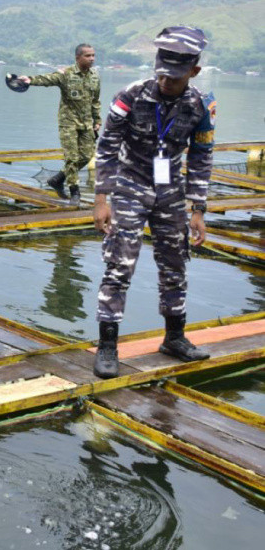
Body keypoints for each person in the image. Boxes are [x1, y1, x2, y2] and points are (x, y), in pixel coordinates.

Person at [92, 26, 216, 379]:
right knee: (119, 264)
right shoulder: (130, 96)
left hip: (171, 190)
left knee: (176, 262)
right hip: (131, 185)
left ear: (194, 71)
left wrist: (198, 209)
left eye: (175, 77)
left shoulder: (200, 106)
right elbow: (107, 147)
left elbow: (202, 157)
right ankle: (107, 346)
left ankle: (174, 338)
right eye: (162, 72)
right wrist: (102, 198)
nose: (166, 81)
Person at [19, 44, 101, 204]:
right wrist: (30, 80)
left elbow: (96, 101)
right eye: (88, 56)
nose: (92, 59)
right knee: (71, 157)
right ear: (78, 58)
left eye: (93, 55)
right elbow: (48, 79)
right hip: (68, 122)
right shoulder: (67, 74)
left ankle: (58, 179)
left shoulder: (95, 77)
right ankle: (74, 192)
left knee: (86, 156)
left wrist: (97, 120)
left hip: (86, 124)